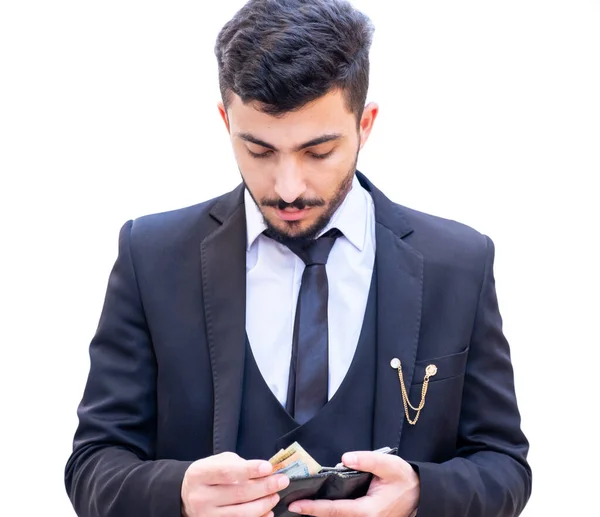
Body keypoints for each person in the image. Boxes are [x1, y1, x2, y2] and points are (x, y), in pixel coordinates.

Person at [64, 0, 532, 516]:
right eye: (259, 151)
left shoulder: (458, 263)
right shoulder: (150, 255)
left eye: (318, 151)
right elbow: (92, 464)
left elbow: (504, 465)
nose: (288, 188)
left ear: (366, 124)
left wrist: (421, 494)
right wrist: (176, 494)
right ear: (226, 122)